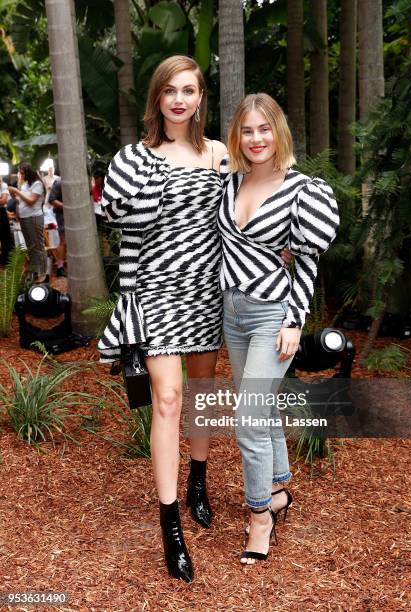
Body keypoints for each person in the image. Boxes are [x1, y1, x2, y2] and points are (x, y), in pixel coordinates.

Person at [98, 55, 227, 583]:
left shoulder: (220, 154)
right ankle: (169, 521)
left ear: (200, 99)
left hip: (206, 288)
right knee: (167, 398)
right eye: (171, 90)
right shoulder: (134, 157)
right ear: (158, 98)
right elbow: (112, 213)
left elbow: (241, 217)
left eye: (190, 90)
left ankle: (198, 475)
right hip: (155, 289)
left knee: (200, 390)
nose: (180, 99)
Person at [218, 93, 340, 565]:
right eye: (247, 130)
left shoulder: (301, 189)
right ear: (238, 136)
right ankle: (278, 489)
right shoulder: (229, 184)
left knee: (248, 417)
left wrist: (294, 319)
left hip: (273, 313)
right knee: (263, 410)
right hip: (232, 313)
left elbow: (306, 263)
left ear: (279, 132)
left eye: (264, 129)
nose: (256, 139)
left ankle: (259, 518)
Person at [8, 162, 48, 283]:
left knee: (38, 246)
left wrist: (16, 190)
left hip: (34, 218)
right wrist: (14, 194)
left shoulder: (38, 184)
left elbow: (31, 201)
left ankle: (43, 273)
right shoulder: (25, 185)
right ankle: (33, 271)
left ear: (27, 173)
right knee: (30, 247)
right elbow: (21, 201)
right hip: (25, 218)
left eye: (21, 172)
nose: (20, 174)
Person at [48, 178, 67, 276]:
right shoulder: (59, 183)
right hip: (62, 216)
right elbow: (51, 199)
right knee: (63, 241)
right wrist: (67, 206)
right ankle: (60, 267)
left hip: (75, 216)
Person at [0, 177, 13, 265]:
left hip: (1, 213)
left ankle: (6, 264)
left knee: (5, 239)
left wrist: (1, 200)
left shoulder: (3, 185)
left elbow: (3, 201)